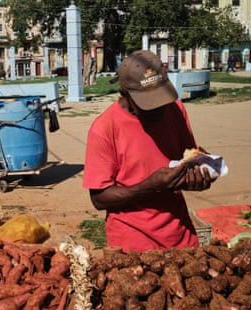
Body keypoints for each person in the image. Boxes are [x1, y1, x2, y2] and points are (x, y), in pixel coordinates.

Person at [83, 50, 215, 253]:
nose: (159, 108)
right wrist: (149, 185)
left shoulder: (175, 109)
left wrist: (199, 173)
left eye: (161, 98)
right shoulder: (104, 129)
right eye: (149, 103)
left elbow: (187, 159)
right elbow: (99, 199)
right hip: (132, 245)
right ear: (125, 93)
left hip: (181, 237)